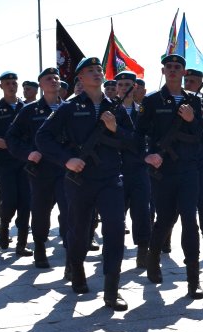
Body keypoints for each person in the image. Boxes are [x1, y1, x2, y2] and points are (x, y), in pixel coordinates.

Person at [37, 57, 134, 309]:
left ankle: (112, 289)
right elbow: (43, 137)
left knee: (114, 230)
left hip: (111, 179)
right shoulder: (69, 108)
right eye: (91, 70)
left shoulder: (115, 107)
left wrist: (115, 129)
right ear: (79, 78)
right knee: (80, 230)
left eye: (99, 69)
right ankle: (76, 266)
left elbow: (133, 141)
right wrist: (66, 160)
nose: (97, 73)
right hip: (80, 180)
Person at [140, 54, 203, 296]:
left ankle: (193, 280)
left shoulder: (196, 102)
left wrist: (191, 120)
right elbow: (139, 135)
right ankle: (153, 256)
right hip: (163, 170)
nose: (173, 70)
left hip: (189, 169)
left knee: (190, 220)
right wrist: (147, 156)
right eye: (169, 67)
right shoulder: (152, 101)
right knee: (165, 219)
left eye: (177, 67)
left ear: (184, 72)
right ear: (163, 70)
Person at [6, 68, 66, 269]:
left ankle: (72, 252)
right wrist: (27, 153)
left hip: (67, 169)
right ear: (41, 85)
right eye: (48, 78)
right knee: (40, 211)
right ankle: (39, 246)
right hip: (41, 170)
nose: (54, 81)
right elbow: (12, 138)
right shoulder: (30, 110)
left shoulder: (69, 108)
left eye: (56, 78)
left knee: (71, 211)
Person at [0, 72, 32, 256]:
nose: (11, 86)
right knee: (9, 199)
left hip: (25, 162)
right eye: (7, 83)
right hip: (4, 163)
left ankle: (22, 243)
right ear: (1, 87)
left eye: (14, 83)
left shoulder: (26, 108)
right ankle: (4, 226)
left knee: (26, 202)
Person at [115, 71, 152, 269]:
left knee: (142, 213)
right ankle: (114, 251)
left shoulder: (142, 112)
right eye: (120, 85)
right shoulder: (110, 112)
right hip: (116, 169)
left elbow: (145, 139)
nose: (123, 88)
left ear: (135, 87)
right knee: (115, 215)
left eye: (127, 84)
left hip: (139, 170)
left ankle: (142, 250)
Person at [183, 68, 203, 263]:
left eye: (193, 81)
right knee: (178, 208)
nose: (188, 84)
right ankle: (166, 239)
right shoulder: (174, 102)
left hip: (200, 161)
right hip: (179, 162)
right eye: (187, 81)